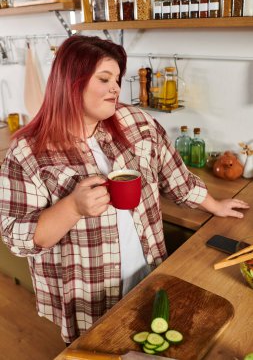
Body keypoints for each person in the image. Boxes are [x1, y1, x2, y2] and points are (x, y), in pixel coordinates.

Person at [0, 35, 249, 344]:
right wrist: (72, 207)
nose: (116, 88)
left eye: (117, 79)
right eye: (104, 79)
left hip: (150, 271)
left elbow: (175, 177)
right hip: (89, 292)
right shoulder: (28, 153)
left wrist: (216, 206)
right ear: (71, 82)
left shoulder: (136, 122)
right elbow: (19, 238)